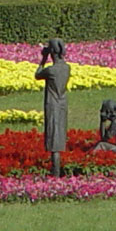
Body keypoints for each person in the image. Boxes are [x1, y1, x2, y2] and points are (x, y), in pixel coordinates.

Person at [34, 38, 71, 176]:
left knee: (53, 137)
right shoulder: (66, 67)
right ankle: (57, 169)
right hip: (62, 103)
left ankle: (55, 172)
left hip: (53, 104)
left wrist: (43, 58)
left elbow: (37, 74)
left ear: (52, 52)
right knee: (59, 135)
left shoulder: (51, 70)